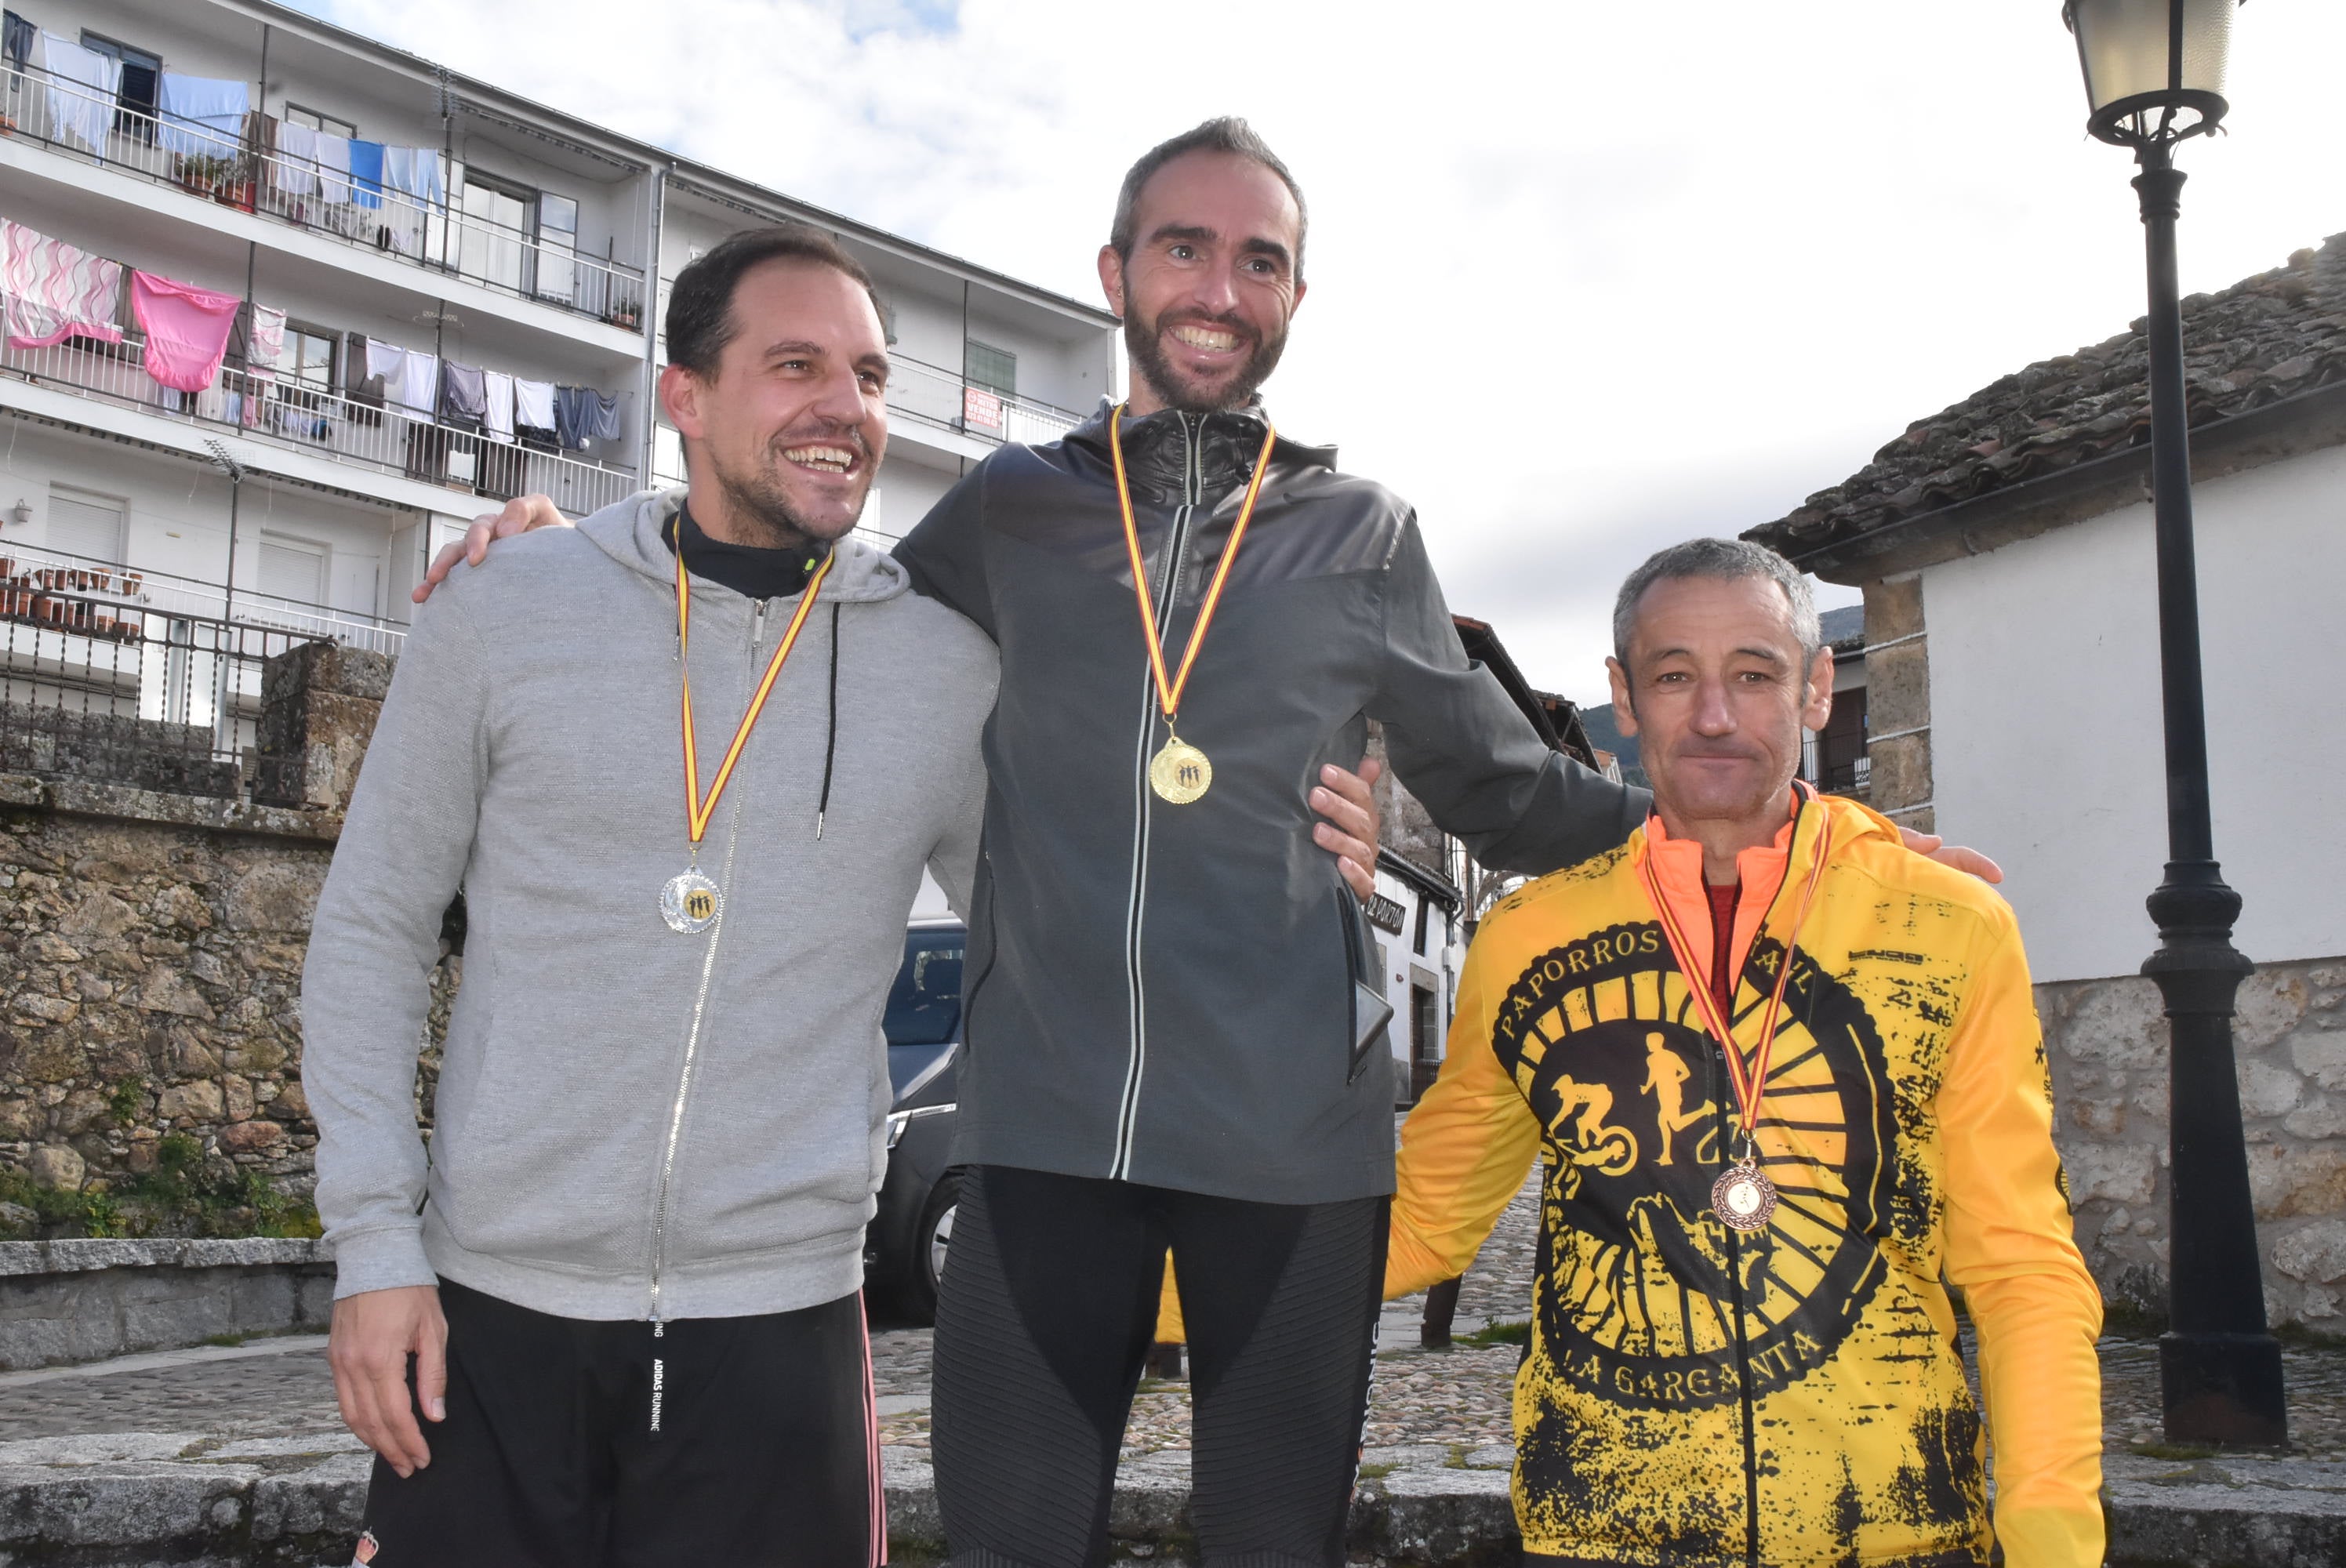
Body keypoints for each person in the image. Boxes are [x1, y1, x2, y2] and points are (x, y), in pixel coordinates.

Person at [426, 123, 1992, 1568]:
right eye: (1182, 248)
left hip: (1290, 1160)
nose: (1216, 288)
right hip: (1040, 1144)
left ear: (1294, 293)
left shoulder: (1359, 531)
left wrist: (1804, 826)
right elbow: (809, 623)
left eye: (1256, 260)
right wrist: (594, 545)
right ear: (1114, 276)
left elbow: (1512, 786)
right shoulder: (1003, 514)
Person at [303, 222, 1371, 1568]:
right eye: (795, 365)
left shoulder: (944, 662)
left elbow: (1093, 905)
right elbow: (371, 933)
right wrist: (375, 1249)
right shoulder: (508, 608)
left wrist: (1304, 827)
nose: (844, 410)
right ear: (684, 396)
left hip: (784, 1336)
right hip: (488, 1322)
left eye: (868, 377)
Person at [1385, 538, 2103, 1568]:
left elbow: (2023, 1268)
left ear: (1817, 689)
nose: (1714, 715)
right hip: (1597, 1537)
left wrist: (2054, 1547)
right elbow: (1416, 1226)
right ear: (1623, 698)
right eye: (1675, 676)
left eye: (1754, 675)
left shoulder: (1952, 927)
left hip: (1895, 1532)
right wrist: (1121, 1277)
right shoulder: (1522, 941)